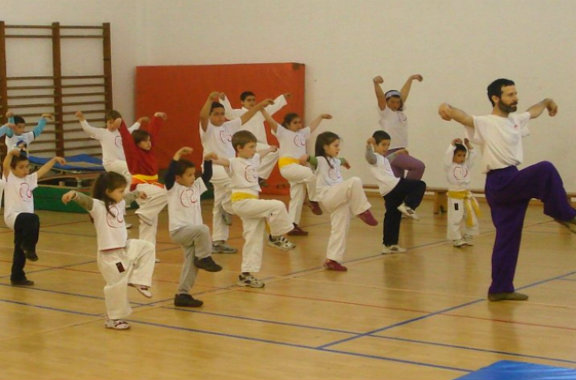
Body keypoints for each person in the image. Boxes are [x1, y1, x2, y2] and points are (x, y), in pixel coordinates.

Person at [438, 78, 576, 302]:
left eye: (515, 94)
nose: (515, 98)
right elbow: (462, 115)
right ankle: (566, 215)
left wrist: (547, 101)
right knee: (545, 170)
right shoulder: (484, 122)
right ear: (496, 98)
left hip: (509, 180)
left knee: (507, 238)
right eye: (510, 95)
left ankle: (500, 288)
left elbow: (532, 111)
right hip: (500, 181)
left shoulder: (515, 120)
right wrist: (446, 107)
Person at [62, 172, 156, 330]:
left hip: (124, 248)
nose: (122, 194)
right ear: (107, 191)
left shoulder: (119, 202)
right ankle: (113, 318)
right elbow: (85, 201)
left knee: (147, 247)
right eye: (119, 190)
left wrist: (138, 193)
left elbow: (129, 197)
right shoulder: (97, 206)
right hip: (110, 256)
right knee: (116, 284)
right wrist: (73, 194)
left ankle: (139, 280)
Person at [211, 130, 295, 288]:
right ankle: (275, 237)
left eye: (254, 146)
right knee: (277, 205)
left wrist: (269, 150)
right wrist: (212, 158)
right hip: (241, 201)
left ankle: (246, 275)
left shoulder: (254, 158)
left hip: (252, 203)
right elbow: (223, 162)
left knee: (253, 239)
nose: (254, 150)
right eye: (250, 147)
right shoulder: (234, 162)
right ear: (239, 148)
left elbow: (259, 155)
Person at [199, 91, 275, 254]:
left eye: (222, 114)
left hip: (230, 167)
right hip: (214, 168)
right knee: (235, 186)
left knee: (218, 203)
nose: (220, 117)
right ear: (211, 116)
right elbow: (202, 116)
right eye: (216, 114)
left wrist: (261, 105)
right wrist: (209, 98)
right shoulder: (207, 128)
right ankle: (230, 207)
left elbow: (247, 115)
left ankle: (218, 241)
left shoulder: (228, 126)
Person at [311, 131, 378, 271]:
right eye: (335, 145)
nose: (338, 148)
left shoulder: (336, 160)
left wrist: (344, 161)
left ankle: (332, 259)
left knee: (340, 228)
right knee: (354, 181)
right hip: (328, 195)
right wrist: (305, 158)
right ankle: (361, 210)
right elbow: (312, 160)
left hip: (338, 197)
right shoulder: (320, 160)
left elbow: (340, 160)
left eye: (338, 146)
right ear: (325, 147)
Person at [165, 147, 223, 307]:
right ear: (178, 178)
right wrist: (176, 156)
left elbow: (207, 176)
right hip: (179, 231)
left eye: (193, 174)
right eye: (189, 175)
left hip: (193, 234)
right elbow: (169, 175)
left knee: (191, 264)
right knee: (203, 229)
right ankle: (204, 257)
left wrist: (207, 160)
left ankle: (182, 294)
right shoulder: (173, 189)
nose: (193, 178)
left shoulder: (196, 187)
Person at [3, 148, 66, 286]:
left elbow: (42, 171)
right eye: (21, 167)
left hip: (25, 221)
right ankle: (30, 248)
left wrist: (54, 160)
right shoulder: (9, 178)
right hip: (13, 217)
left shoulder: (29, 179)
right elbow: (5, 165)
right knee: (34, 219)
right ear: (13, 169)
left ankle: (17, 276)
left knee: (19, 248)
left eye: (27, 167)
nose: (25, 170)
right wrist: (10, 154)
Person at [261, 110, 328, 235]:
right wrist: (262, 109)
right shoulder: (283, 132)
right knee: (310, 174)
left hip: (297, 167)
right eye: (295, 123)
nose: (299, 125)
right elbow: (271, 122)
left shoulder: (302, 133)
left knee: (297, 196)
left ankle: (292, 225)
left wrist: (320, 116)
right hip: (288, 166)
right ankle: (313, 200)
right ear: (287, 125)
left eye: (299, 122)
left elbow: (312, 126)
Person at [76, 110, 144, 228]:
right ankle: (126, 197)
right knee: (130, 170)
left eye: (114, 123)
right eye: (109, 123)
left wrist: (139, 122)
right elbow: (88, 129)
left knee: (117, 191)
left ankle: (120, 218)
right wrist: (82, 119)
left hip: (120, 165)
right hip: (111, 164)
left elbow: (131, 129)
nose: (111, 125)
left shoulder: (122, 133)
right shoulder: (103, 133)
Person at [365, 131, 426, 254]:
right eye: (383, 145)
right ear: (375, 145)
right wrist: (368, 145)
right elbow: (370, 157)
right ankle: (408, 205)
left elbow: (387, 159)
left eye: (388, 145)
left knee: (393, 216)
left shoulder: (382, 159)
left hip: (387, 192)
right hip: (393, 185)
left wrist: (397, 153)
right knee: (420, 185)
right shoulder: (373, 158)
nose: (386, 148)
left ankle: (389, 244)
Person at [117, 112, 168, 248]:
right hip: (140, 185)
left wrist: (156, 118)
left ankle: (146, 252)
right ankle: (144, 213)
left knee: (150, 223)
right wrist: (121, 124)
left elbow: (153, 133)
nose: (149, 143)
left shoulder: (149, 151)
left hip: (151, 185)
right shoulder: (132, 152)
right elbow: (126, 139)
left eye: (149, 140)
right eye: (145, 141)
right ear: (137, 143)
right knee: (167, 192)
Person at [221, 91, 290, 183]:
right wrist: (223, 99)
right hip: (245, 144)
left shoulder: (260, 112)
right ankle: (257, 177)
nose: (252, 102)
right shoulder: (238, 113)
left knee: (273, 152)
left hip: (260, 145)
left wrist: (283, 98)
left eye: (253, 100)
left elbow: (272, 107)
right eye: (249, 100)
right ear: (242, 102)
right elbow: (228, 113)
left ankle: (256, 177)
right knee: (274, 152)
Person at [373, 75, 425, 180]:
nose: (395, 104)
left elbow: (404, 94)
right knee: (418, 167)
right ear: (386, 102)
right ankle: (408, 191)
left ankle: (402, 194)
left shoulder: (400, 113)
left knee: (397, 182)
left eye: (397, 102)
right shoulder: (386, 113)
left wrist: (410, 79)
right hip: (390, 151)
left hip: (401, 150)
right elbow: (380, 97)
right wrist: (376, 84)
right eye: (392, 102)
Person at [444, 138, 479, 247]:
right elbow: (447, 156)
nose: (462, 158)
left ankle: (468, 235)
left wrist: (468, 145)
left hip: (466, 195)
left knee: (470, 215)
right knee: (456, 216)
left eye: (464, 155)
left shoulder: (465, 165)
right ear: (453, 156)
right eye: (459, 155)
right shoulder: (449, 166)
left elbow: (473, 155)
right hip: (455, 196)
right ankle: (456, 238)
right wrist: (452, 145)